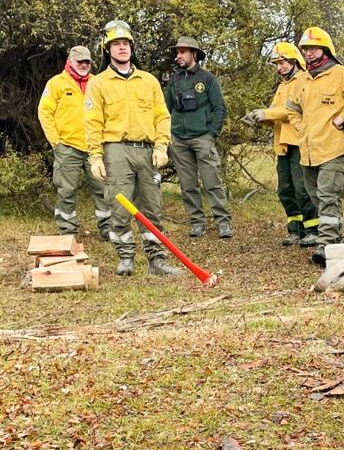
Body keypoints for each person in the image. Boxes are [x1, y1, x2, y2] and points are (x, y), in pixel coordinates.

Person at [84, 20, 181, 276]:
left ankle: (156, 260)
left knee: (152, 207)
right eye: (116, 44)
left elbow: (162, 116)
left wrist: (161, 146)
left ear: (132, 47)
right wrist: (95, 156)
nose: (122, 48)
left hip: (147, 151)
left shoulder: (148, 81)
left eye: (126, 43)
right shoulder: (98, 83)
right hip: (116, 150)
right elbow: (92, 122)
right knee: (120, 206)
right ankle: (125, 257)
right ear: (107, 50)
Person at [286, 27, 344, 266]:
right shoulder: (302, 79)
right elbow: (291, 109)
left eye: (313, 48)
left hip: (333, 149)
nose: (309, 53)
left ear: (325, 50)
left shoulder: (342, 74)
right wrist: (301, 127)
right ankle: (333, 234)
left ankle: (327, 245)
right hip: (308, 151)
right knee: (316, 196)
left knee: (327, 195)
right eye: (305, 49)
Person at [241, 42, 319, 246]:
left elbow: (292, 110)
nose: (279, 67)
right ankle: (295, 230)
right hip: (283, 144)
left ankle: (313, 230)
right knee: (285, 190)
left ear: (295, 61)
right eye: (277, 64)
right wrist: (258, 118)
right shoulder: (283, 86)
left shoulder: (305, 80)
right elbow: (275, 112)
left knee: (302, 189)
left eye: (283, 62)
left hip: (299, 143)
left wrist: (266, 113)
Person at [37, 45, 112, 240]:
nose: (84, 65)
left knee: (103, 189)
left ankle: (107, 229)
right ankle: (67, 231)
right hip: (67, 147)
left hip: (95, 148)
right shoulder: (56, 83)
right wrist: (56, 142)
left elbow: (109, 112)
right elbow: (44, 113)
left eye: (87, 62)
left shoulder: (98, 82)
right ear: (70, 61)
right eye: (80, 62)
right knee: (66, 190)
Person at [164, 36, 232, 238]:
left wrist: (211, 134)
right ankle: (197, 222)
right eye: (177, 52)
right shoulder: (174, 80)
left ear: (194, 54)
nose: (178, 56)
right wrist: (169, 133)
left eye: (183, 52)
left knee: (212, 181)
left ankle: (223, 222)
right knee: (188, 185)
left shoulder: (208, 79)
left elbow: (219, 108)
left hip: (203, 137)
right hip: (179, 139)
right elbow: (166, 109)